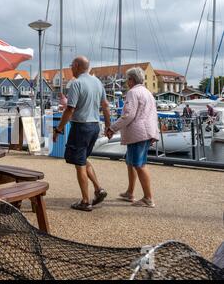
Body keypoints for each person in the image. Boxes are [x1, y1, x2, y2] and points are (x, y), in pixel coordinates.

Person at [53, 56, 111, 212]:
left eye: (72, 65)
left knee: (79, 164)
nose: (71, 68)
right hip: (94, 126)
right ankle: (99, 189)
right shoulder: (98, 82)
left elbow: (70, 109)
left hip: (81, 127)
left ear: (77, 66)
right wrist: (108, 126)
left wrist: (58, 129)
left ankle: (85, 202)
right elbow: (105, 106)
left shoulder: (76, 83)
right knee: (83, 159)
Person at [106, 67, 159, 208]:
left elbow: (128, 115)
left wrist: (112, 128)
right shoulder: (148, 93)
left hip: (138, 133)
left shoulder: (132, 93)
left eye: (127, 79)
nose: (126, 82)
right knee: (130, 162)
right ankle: (130, 192)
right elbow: (153, 114)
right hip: (146, 131)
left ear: (131, 80)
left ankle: (148, 198)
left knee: (139, 164)